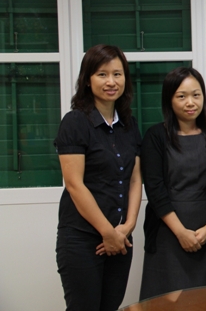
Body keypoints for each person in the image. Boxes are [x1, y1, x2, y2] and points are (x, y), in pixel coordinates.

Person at [54, 44, 142, 311]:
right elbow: (74, 185)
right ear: (87, 80)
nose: (111, 82)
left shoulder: (129, 124)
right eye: (102, 74)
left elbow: (135, 179)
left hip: (121, 237)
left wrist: (127, 226)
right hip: (82, 239)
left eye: (117, 74)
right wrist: (107, 232)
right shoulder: (75, 122)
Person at [139, 67, 206, 300]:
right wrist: (180, 232)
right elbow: (155, 189)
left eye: (196, 95)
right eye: (181, 96)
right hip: (167, 229)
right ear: (169, 99)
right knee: (167, 300)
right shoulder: (156, 136)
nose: (190, 102)